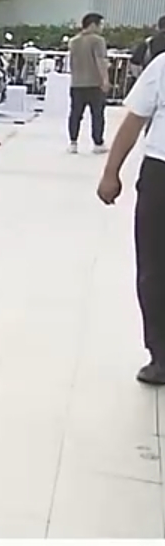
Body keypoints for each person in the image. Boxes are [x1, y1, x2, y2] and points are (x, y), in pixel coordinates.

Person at [97, 52, 165, 385]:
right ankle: (161, 355)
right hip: (161, 174)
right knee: (154, 269)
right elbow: (134, 120)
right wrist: (111, 172)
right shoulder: (163, 66)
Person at [66, 12, 111, 154]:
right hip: (94, 83)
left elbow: (72, 62)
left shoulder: (73, 41)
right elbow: (100, 60)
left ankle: (73, 142)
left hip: (77, 83)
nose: (101, 28)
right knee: (97, 114)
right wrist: (105, 80)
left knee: (75, 114)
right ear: (92, 25)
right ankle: (98, 143)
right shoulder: (98, 41)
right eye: (100, 25)